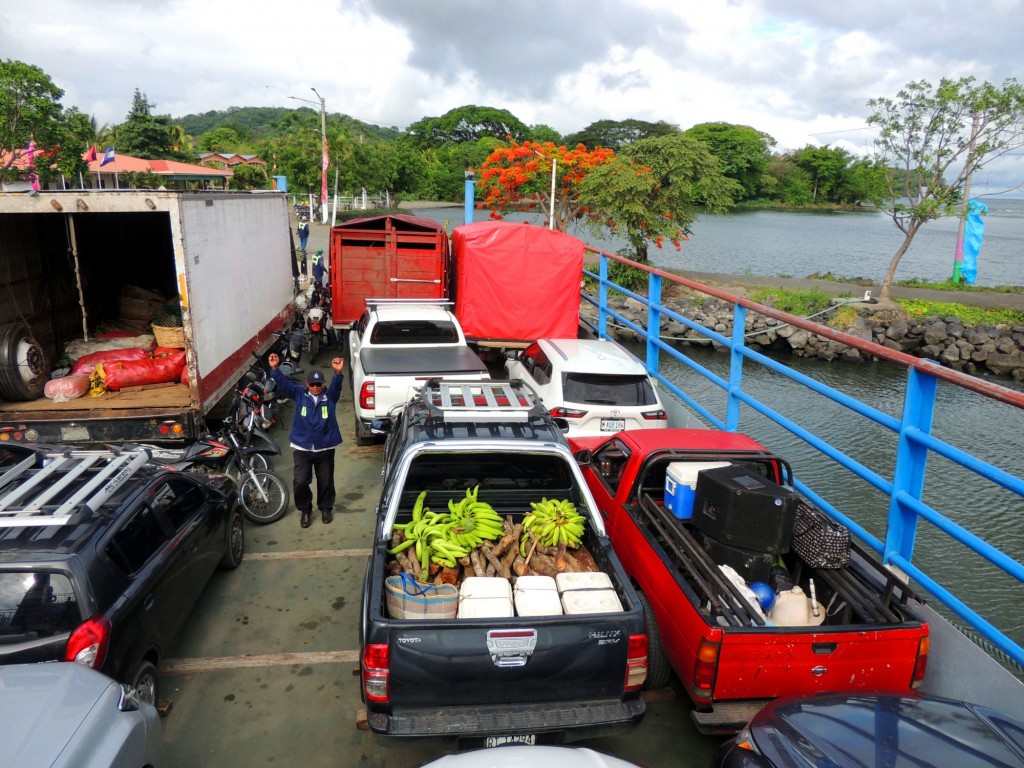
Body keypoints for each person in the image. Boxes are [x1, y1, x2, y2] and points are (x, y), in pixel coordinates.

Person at [267, 352, 344, 528]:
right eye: (312, 384)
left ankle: (325, 508)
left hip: (325, 447)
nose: (316, 387)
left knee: (325, 481)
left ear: (323, 384)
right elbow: (284, 385)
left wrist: (338, 373)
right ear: (307, 384)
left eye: (319, 384)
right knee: (300, 481)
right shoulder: (300, 394)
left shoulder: (329, 396)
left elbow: (337, 387)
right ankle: (305, 510)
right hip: (302, 447)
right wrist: (275, 369)